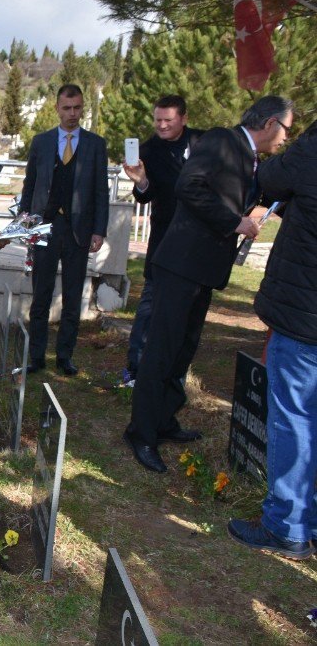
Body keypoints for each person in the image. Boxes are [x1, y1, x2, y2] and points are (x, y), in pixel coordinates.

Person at [125, 95, 294, 473]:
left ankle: (164, 420)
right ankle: (141, 432)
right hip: (180, 264)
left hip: (202, 270)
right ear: (269, 124)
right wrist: (235, 222)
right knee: (162, 349)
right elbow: (190, 185)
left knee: (184, 349)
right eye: (286, 129)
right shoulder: (222, 140)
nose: (286, 137)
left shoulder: (251, 157)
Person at [228, 119, 317, 560]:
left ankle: (286, 524)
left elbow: (269, 177)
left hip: (305, 319)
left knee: (294, 420)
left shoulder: (310, 153)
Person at [20, 84, 108, 377]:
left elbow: (100, 192)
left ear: (83, 108)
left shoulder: (96, 144)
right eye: (67, 108)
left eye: (77, 108)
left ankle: (64, 357)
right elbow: (30, 184)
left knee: (73, 297)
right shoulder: (41, 142)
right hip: (45, 227)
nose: (72, 114)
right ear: (57, 108)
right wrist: (25, 219)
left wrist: (99, 230)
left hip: (78, 231)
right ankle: (36, 356)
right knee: (41, 295)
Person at [122, 95, 203, 379]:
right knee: (150, 304)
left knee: (188, 309)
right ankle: (135, 367)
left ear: (184, 118)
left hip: (198, 240)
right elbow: (146, 194)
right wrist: (141, 180)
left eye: (168, 120)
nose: (162, 125)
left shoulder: (203, 143)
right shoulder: (148, 150)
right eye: (158, 120)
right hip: (164, 238)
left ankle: (175, 370)